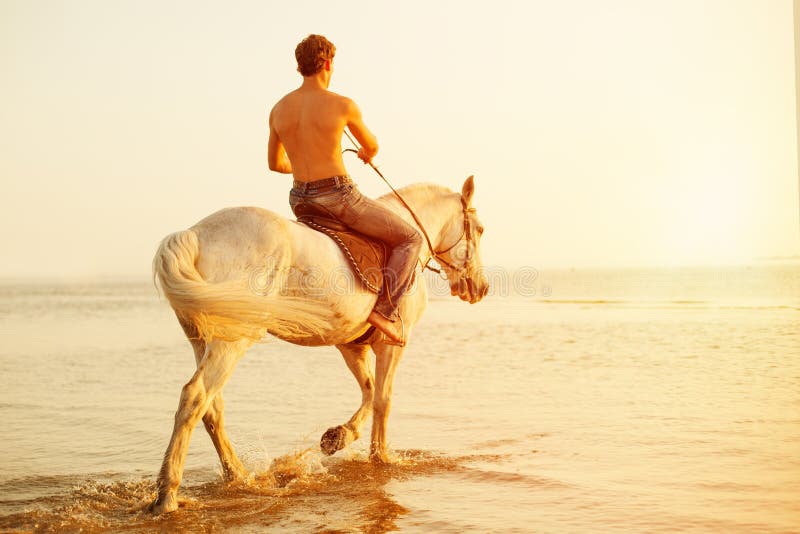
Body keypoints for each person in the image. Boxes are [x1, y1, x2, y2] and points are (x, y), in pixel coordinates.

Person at [267, 34, 422, 345]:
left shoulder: (279, 109)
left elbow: (275, 164)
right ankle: (384, 312)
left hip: (300, 200)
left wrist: (303, 165)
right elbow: (372, 145)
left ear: (301, 66)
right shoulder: (342, 105)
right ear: (327, 63)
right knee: (410, 238)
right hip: (339, 198)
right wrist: (366, 155)